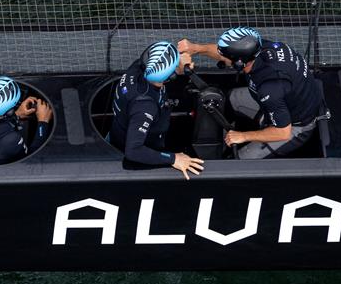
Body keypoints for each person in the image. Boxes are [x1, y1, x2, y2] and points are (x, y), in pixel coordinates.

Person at [178, 27, 324, 159]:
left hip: (293, 126)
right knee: (228, 99)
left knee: (238, 161)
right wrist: (196, 48)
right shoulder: (262, 47)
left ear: (240, 63)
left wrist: (242, 136)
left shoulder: (270, 87)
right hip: (280, 101)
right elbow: (224, 54)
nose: (222, 56)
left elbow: (282, 132)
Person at [109, 41, 205, 180]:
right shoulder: (144, 106)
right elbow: (134, 150)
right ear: (168, 76)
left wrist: (178, 67)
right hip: (140, 153)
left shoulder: (138, 67)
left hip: (120, 129)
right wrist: (173, 159)